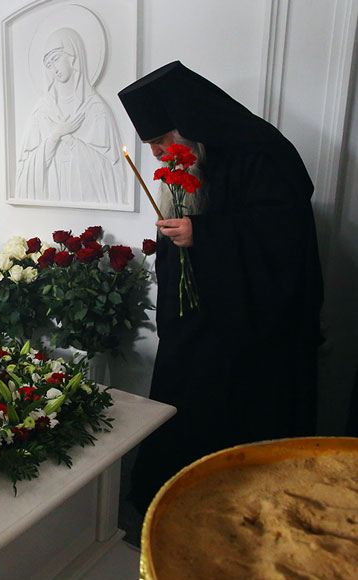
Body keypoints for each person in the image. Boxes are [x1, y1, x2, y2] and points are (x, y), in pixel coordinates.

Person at [118, 61, 323, 512]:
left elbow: (285, 235)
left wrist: (203, 235)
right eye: (150, 145)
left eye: (159, 141)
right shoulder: (196, 155)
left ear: (188, 125)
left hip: (254, 328)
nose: (156, 153)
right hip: (197, 323)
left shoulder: (263, 151)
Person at [16, 28, 123, 203]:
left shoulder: (95, 108)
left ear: (72, 55)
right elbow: (26, 170)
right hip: (53, 189)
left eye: (56, 59)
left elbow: (110, 169)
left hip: (82, 191)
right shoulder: (42, 110)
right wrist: (56, 135)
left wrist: (70, 141)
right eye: (49, 65)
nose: (54, 69)